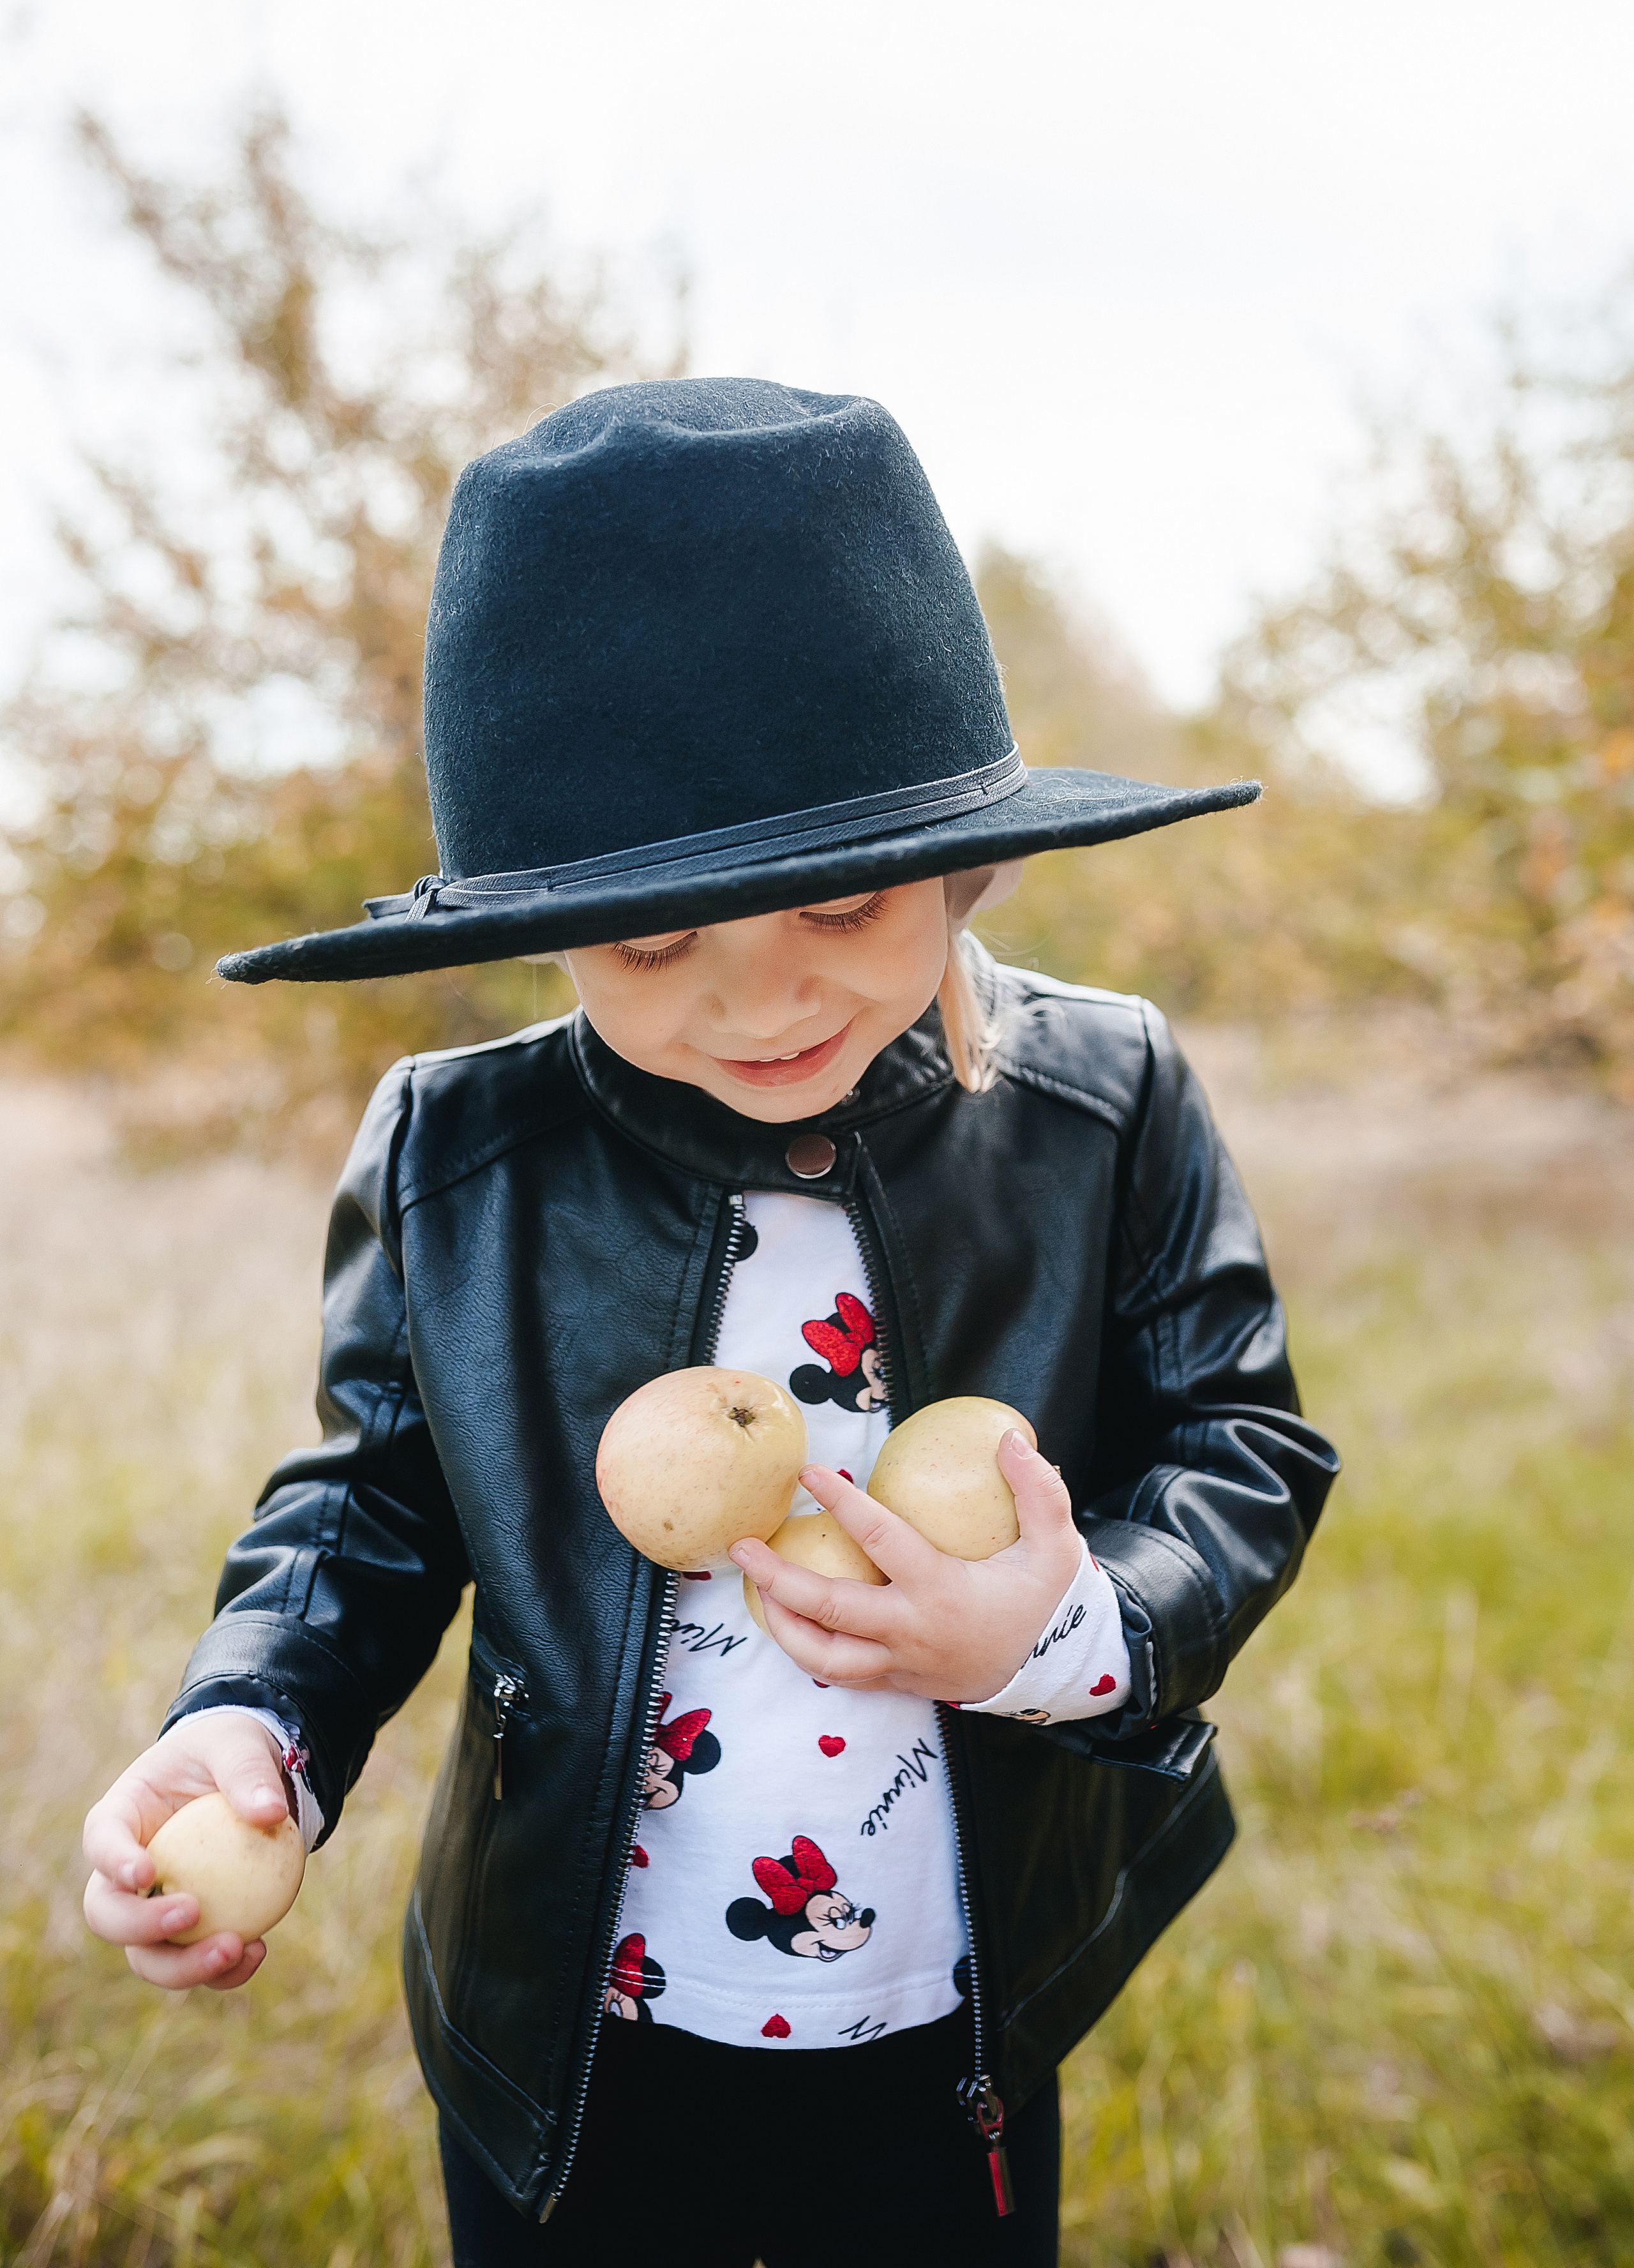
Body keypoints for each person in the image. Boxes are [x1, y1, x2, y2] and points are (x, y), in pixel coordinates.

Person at [81, 379, 1338, 2267]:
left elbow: (1242, 1442)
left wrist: (1069, 1628)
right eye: (657, 940)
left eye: (836, 898)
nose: (762, 999)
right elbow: (373, 1499)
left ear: (961, 856)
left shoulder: (1103, 1102)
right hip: (583, 2037)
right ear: (539, 923)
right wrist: (256, 1715)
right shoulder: (463, 1145)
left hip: (948, 2022)